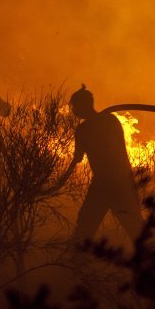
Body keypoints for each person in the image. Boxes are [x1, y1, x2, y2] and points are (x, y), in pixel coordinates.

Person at [55, 85, 144, 246]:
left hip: (108, 184)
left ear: (83, 105)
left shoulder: (84, 129)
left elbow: (76, 159)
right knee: (134, 228)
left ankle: (75, 264)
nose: (73, 110)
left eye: (74, 106)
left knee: (87, 228)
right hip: (119, 182)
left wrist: (61, 180)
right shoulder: (110, 120)